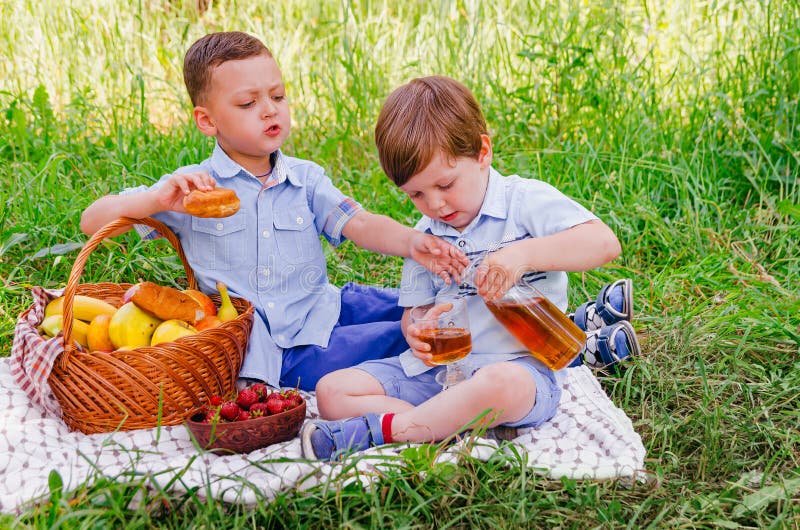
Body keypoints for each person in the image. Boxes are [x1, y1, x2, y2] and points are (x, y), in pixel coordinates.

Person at [80, 33, 468, 391]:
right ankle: (460, 354)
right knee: (405, 335)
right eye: (249, 103)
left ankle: (477, 322)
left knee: (425, 304)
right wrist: (154, 201)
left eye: (278, 97)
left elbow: (360, 223)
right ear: (207, 120)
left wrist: (413, 242)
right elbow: (92, 222)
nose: (269, 111)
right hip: (283, 350)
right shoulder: (191, 190)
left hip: (324, 304)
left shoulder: (305, 177)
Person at [301, 75, 640, 461]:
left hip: (518, 368)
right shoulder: (424, 238)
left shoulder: (522, 202)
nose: (436, 205)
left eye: (445, 184)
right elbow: (413, 313)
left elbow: (603, 243)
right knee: (331, 392)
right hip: (438, 375)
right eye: (416, 194)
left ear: (482, 153)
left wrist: (522, 256)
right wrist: (417, 329)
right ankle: (439, 426)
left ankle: (389, 429)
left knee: (501, 384)